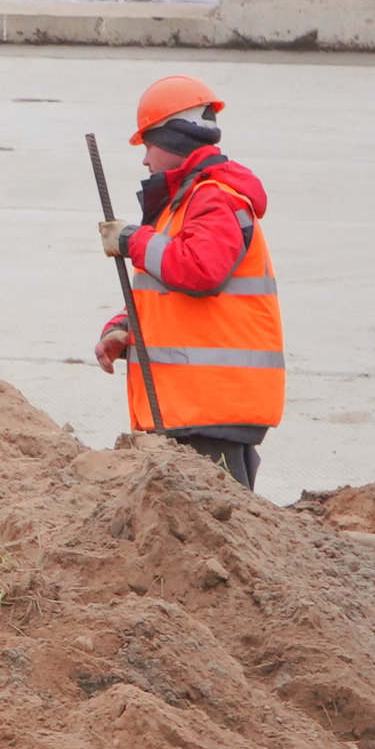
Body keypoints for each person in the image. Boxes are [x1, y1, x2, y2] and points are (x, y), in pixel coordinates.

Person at [93, 74, 281, 488]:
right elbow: (168, 290)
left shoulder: (214, 196)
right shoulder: (187, 200)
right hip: (195, 406)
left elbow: (200, 270)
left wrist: (131, 240)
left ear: (174, 140)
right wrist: (125, 327)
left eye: (149, 145)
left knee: (215, 520)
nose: (145, 161)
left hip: (210, 409)